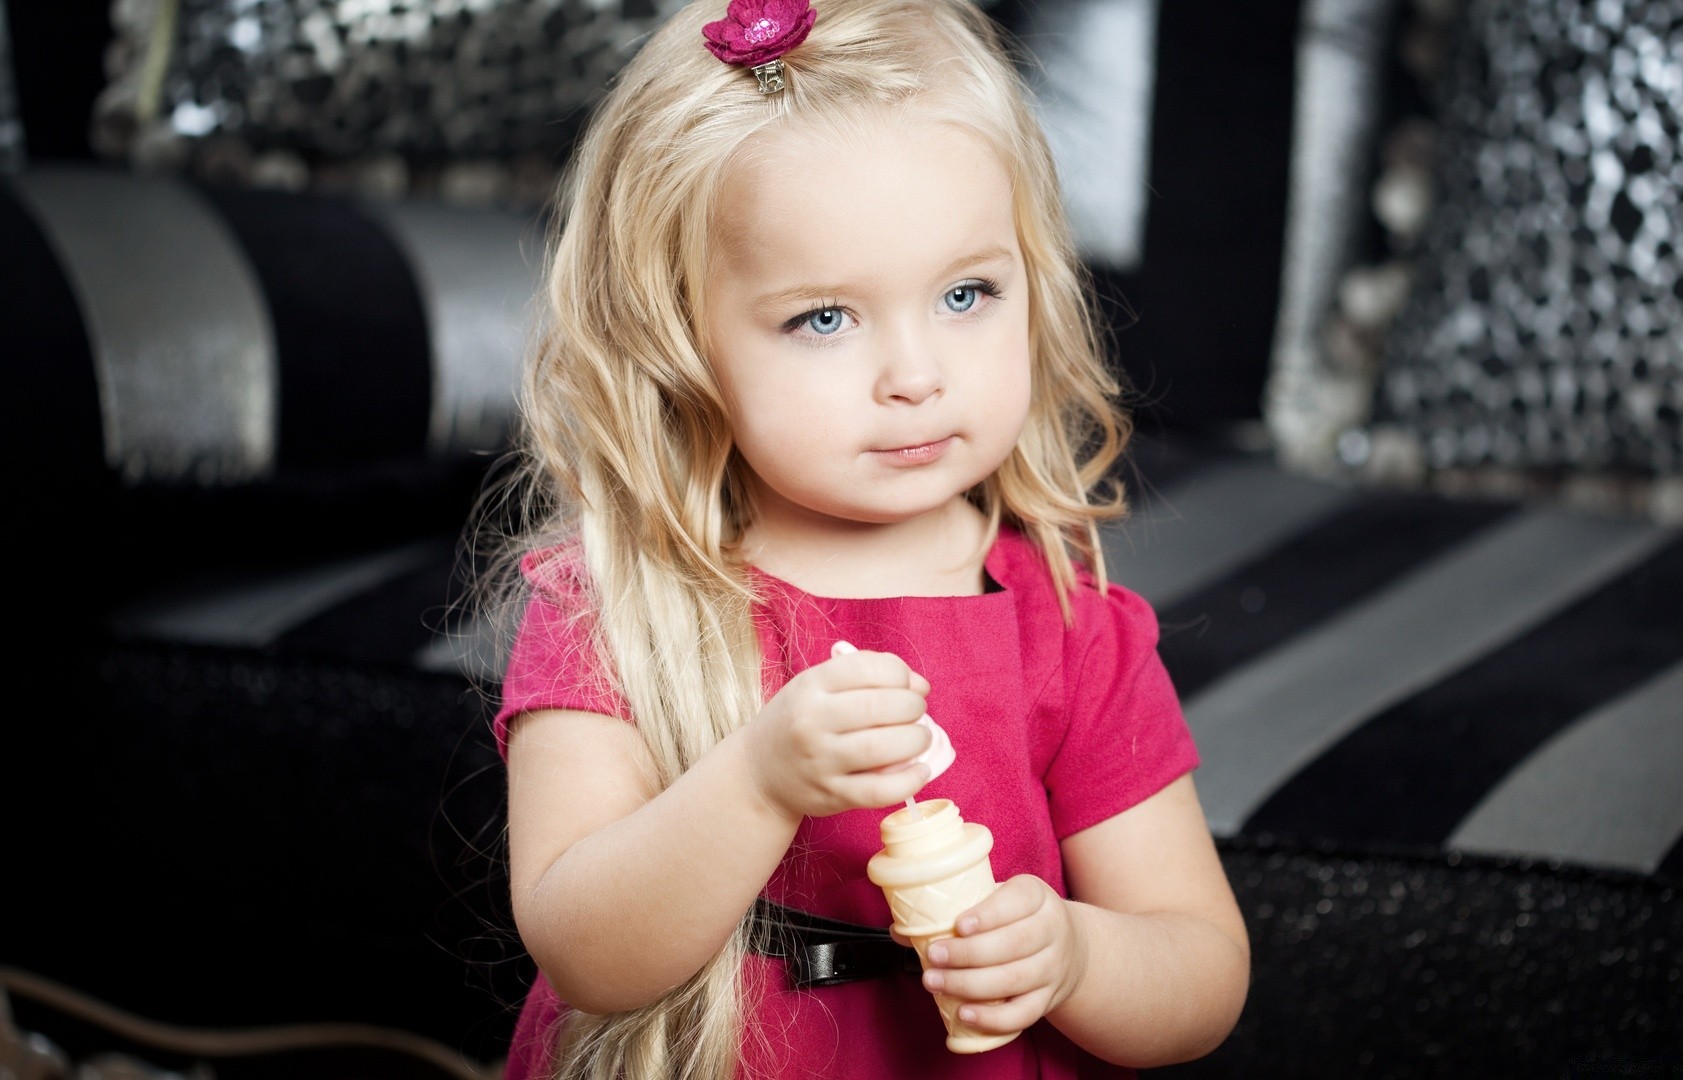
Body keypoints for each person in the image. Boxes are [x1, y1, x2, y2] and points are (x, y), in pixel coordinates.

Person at [472, 0, 1250, 1076]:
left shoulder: (1066, 626)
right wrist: (757, 783)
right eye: (825, 318)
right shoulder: (619, 606)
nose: (916, 375)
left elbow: (1200, 972)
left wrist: (1075, 957)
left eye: (967, 293)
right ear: (678, 339)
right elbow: (588, 955)